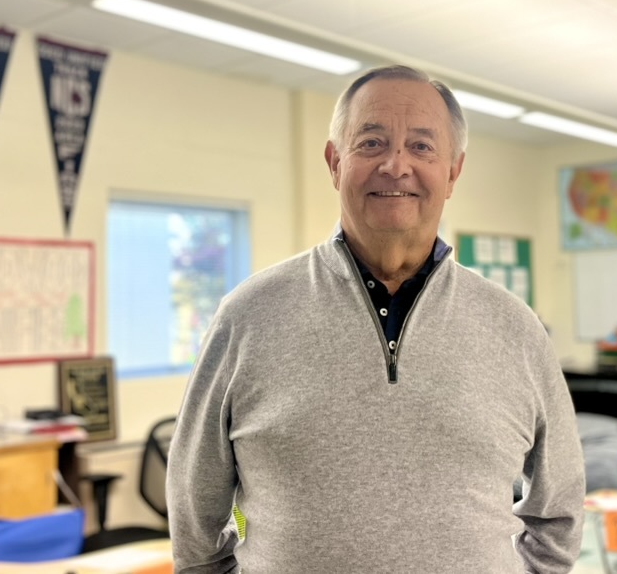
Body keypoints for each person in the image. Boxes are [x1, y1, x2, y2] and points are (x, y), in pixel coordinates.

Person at [166, 65, 585, 573]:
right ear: (334, 161)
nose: (395, 165)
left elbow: (558, 511)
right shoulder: (248, 317)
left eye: (422, 147)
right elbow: (195, 523)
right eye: (371, 142)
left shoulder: (515, 329)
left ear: (453, 171)